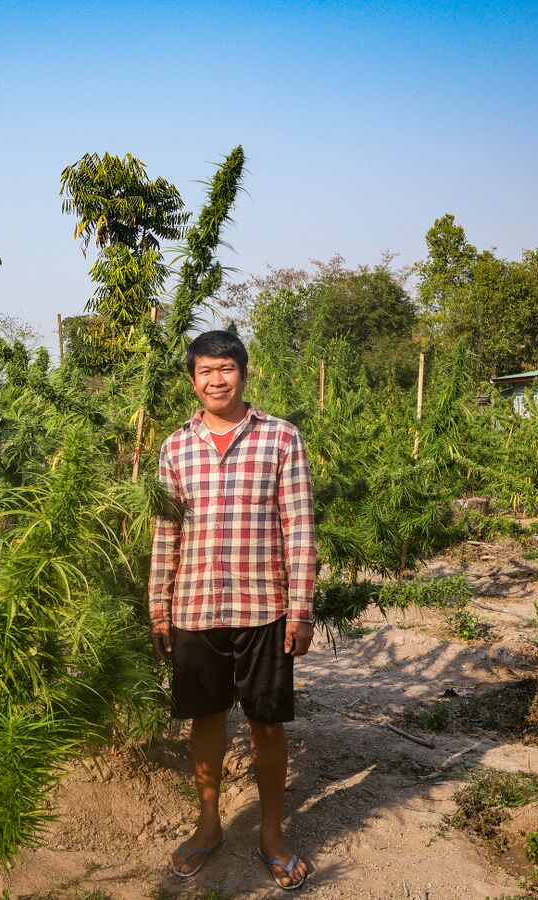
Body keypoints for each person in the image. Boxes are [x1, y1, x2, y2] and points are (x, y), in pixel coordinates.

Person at [148, 330, 316, 891]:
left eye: (225, 369)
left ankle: (271, 832)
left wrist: (302, 609)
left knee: (266, 720)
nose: (216, 380)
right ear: (193, 379)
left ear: (244, 373)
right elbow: (165, 530)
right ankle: (209, 825)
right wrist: (158, 606)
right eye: (204, 371)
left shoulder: (282, 439)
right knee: (207, 718)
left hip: (265, 605)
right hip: (195, 605)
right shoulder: (175, 447)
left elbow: (299, 528)